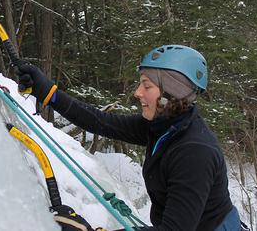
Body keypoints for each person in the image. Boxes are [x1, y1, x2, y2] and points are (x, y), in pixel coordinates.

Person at [15, 45, 243, 231]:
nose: (137, 93)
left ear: (170, 95)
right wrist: (48, 92)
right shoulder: (165, 126)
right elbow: (100, 122)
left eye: (147, 86)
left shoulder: (195, 152)